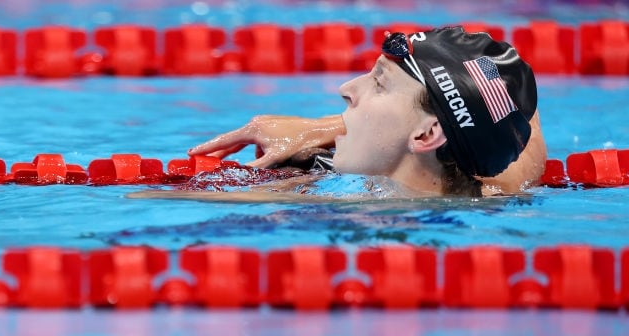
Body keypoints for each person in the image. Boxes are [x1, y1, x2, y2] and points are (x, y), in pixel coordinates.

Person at [132, 26, 546, 202]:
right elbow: (517, 115)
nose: (345, 89)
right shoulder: (501, 184)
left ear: (425, 136)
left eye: (378, 83)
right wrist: (324, 127)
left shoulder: (317, 204)